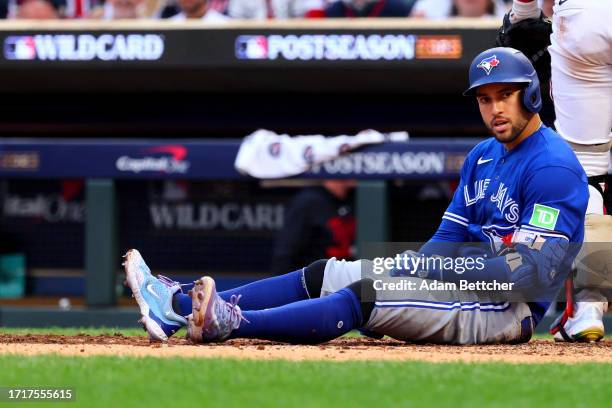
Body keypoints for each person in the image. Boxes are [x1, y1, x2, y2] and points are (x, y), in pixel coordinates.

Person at [125, 47, 588, 344]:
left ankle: (232, 323)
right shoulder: (483, 156)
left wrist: (437, 271)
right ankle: (178, 307)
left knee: (366, 294)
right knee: (327, 273)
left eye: (505, 95)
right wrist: (422, 269)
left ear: (530, 96)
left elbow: (527, 276)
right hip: (462, 280)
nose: (494, 108)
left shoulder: (552, 165)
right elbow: (447, 237)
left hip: (507, 311)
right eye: (485, 99)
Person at [501, 0, 611, 342]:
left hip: (586, 19)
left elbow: (525, 17)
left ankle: (589, 307)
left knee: (587, 173)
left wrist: (523, 11)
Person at [271, 180, 356, 276]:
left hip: (344, 278)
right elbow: (285, 251)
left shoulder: (353, 198)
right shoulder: (309, 201)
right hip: (314, 281)